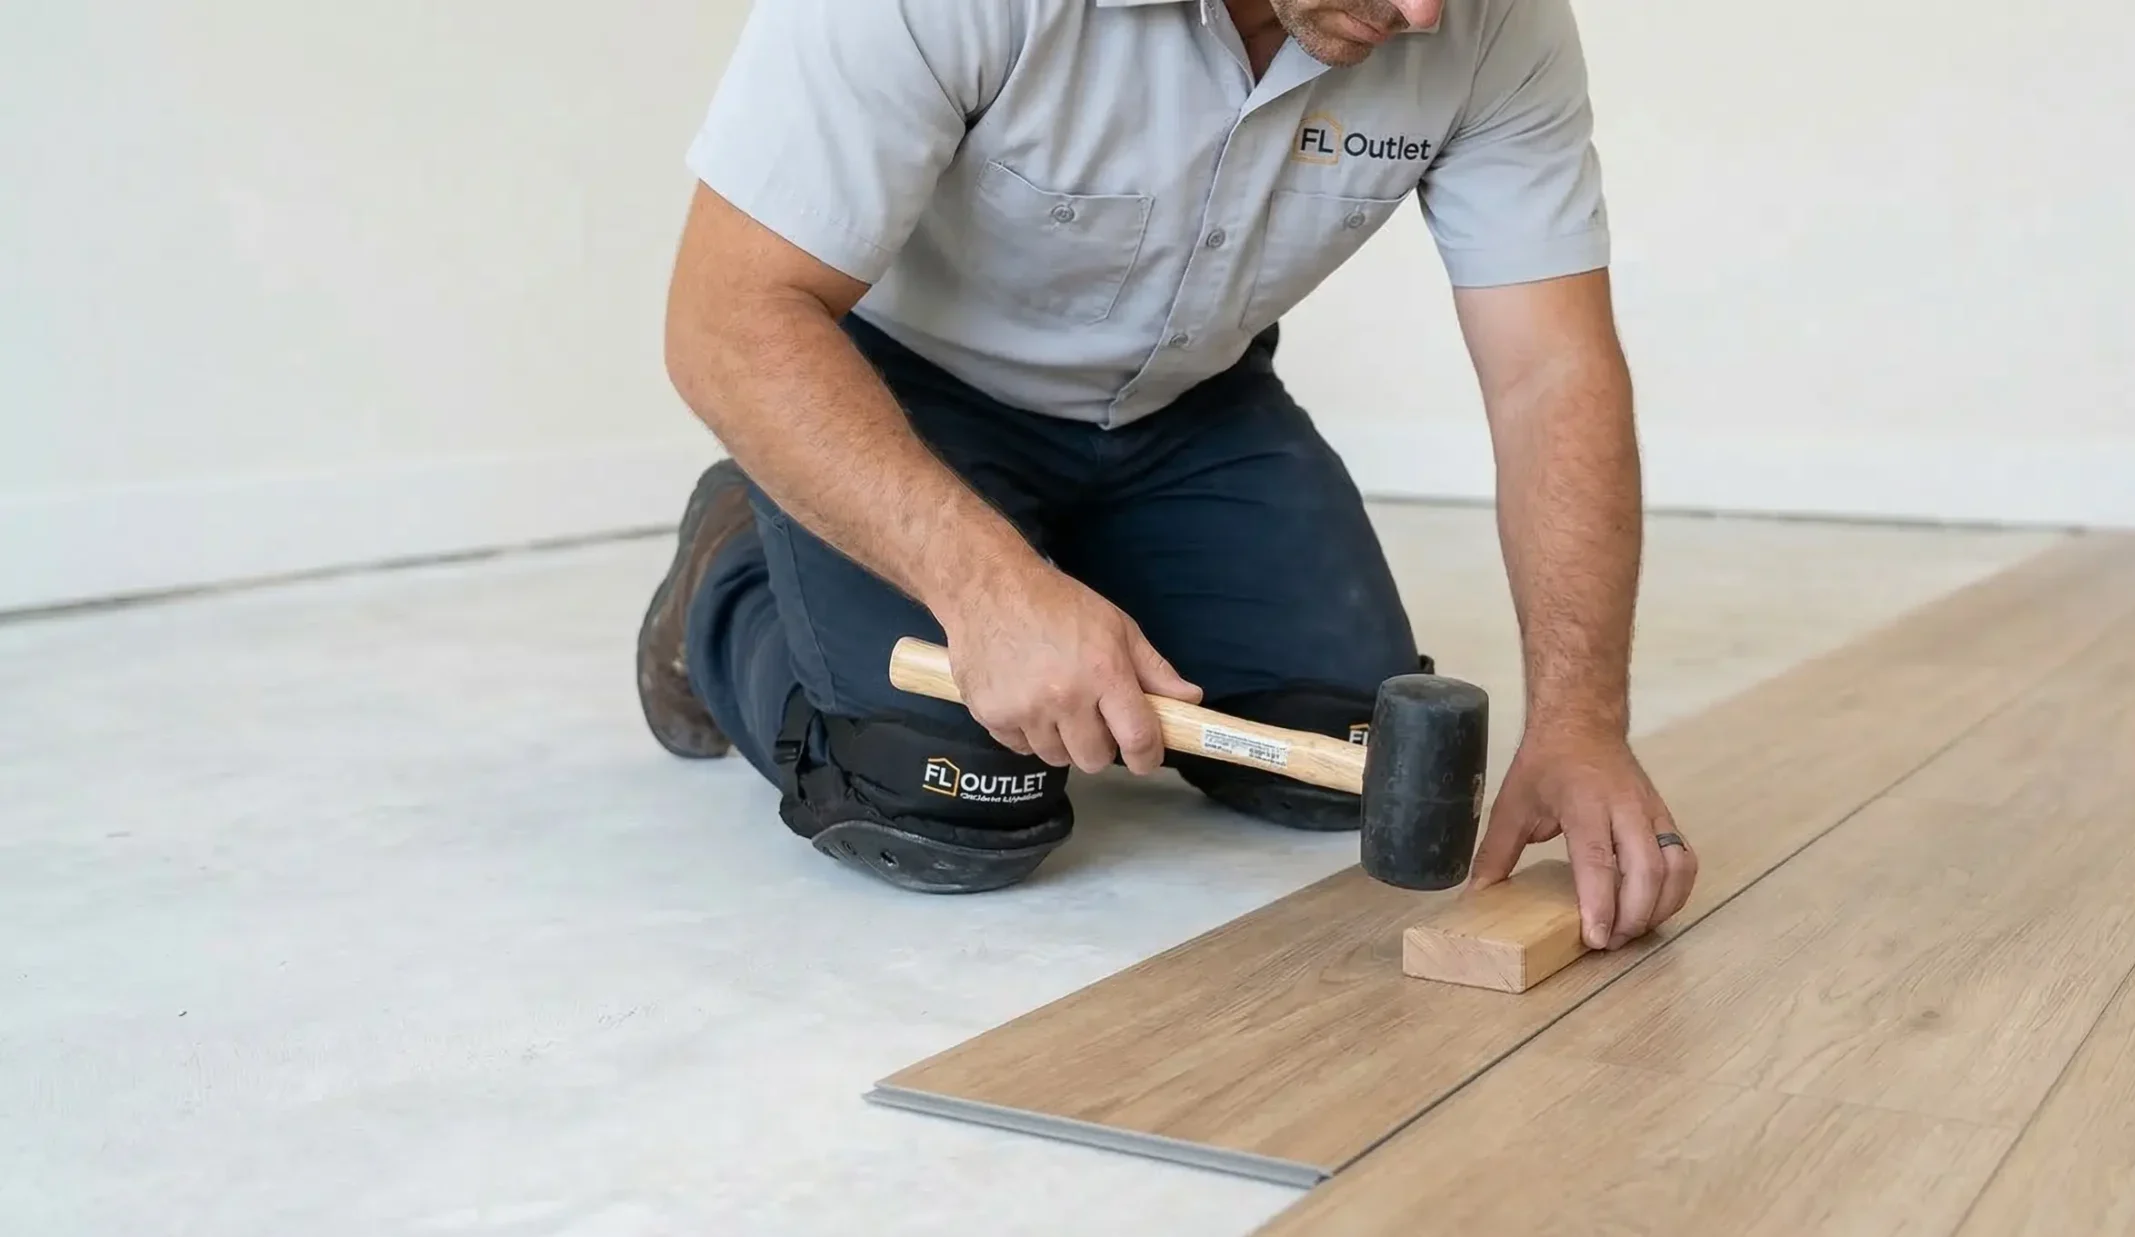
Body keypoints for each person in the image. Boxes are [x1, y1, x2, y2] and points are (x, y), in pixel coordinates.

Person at [640, 0, 1698, 951]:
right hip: (910, 396)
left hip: (1183, 410)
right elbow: (726, 318)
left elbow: (1549, 374)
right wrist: (989, 589)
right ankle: (730, 568)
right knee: (947, 795)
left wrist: (1580, 721)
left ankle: (1072, 564)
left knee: (1336, 756)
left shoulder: (1497, 22)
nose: (1422, 13)